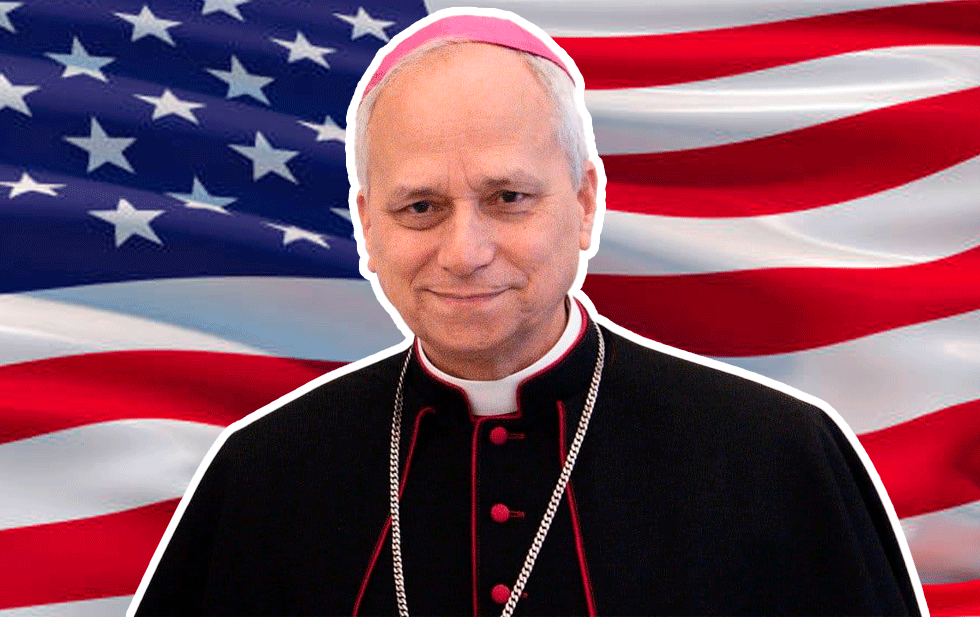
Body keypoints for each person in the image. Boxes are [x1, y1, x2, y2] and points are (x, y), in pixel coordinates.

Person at [130, 9, 927, 616]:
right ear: (368, 227)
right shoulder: (263, 476)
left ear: (584, 203)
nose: (464, 251)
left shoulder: (775, 458)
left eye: (508, 197)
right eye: (420, 207)